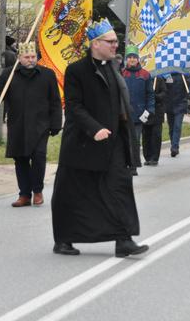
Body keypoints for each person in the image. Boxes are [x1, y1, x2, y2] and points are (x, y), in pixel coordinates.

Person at [51, 18, 148, 257]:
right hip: (82, 144)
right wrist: (94, 128)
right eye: (111, 41)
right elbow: (73, 106)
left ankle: (123, 240)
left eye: (116, 41)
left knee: (119, 187)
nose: (116, 45)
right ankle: (63, 239)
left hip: (112, 141)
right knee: (72, 193)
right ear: (95, 44)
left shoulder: (113, 67)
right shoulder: (76, 71)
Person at [0, 41, 62, 207]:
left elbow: (55, 101)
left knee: (39, 157)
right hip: (17, 123)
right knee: (20, 158)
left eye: (33, 56)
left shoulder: (47, 75)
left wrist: (56, 123)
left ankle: (38, 191)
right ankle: (24, 194)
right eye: (27, 57)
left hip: (41, 125)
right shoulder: (9, 75)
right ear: (19, 58)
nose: (30, 60)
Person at [121, 45, 155, 174]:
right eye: (129, 57)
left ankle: (133, 166)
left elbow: (150, 94)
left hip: (139, 114)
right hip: (124, 113)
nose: (132, 60)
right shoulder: (122, 73)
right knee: (125, 140)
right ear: (127, 59)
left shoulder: (145, 75)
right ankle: (125, 163)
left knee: (135, 140)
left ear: (138, 59)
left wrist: (149, 110)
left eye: (134, 57)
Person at [164, 72, 190, 157]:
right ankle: (173, 144)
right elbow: (162, 86)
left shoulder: (184, 73)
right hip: (169, 104)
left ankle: (175, 147)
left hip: (180, 103)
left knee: (177, 126)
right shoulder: (166, 74)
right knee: (171, 127)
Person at [142, 75, 166, 166]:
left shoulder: (159, 79)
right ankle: (147, 157)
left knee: (156, 135)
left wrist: (155, 96)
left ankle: (154, 157)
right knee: (146, 135)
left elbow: (164, 93)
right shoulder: (143, 78)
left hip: (157, 112)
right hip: (146, 112)